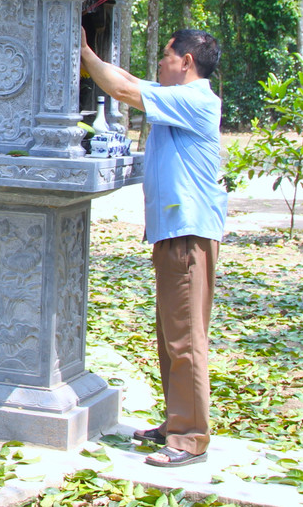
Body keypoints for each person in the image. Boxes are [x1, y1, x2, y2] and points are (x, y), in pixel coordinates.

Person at [80, 28, 227, 468]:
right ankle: (176, 421)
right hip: (174, 233)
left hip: (188, 234)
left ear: (186, 62)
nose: (161, 63)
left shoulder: (195, 99)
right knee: (171, 337)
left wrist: (83, 52)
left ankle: (189, 438)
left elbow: (123, 88)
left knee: (185, 340)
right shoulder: (176, 99)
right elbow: (128, 80)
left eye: (166, 55)